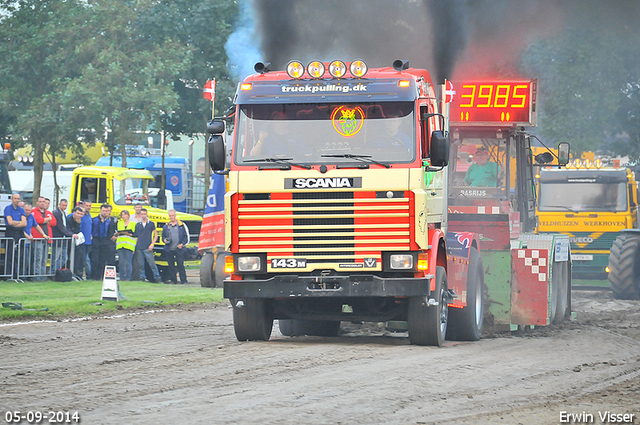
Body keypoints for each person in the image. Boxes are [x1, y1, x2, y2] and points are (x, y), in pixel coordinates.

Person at [132, 208, 161, 283]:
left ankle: (157, 277)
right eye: (142, 214)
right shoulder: (138, 225)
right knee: (141, 264)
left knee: (152, 263)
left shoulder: (151, 224)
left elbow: (155, 235)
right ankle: (142, 277)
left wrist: (152, 244)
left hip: (148, 246)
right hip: (139, 246)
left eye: (144, 214)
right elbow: (137, 237)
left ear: (147, 214)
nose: (143, 215)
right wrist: (134, 247)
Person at [31, 196, 56, 280]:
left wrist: (46, 220)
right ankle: (36, 275)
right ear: (37, 202)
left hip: (47, 238)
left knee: (45, 259)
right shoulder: (34, 211)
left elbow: (54, 222)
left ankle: (42, 274)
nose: (42, 203)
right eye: (40, 201)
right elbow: (38, 221)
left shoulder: (48, 212)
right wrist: (48, 219)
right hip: (38, 238)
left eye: (43, 202)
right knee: (38, 258)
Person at [162, 209, 189, 284]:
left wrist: (182, 244)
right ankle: (173, 280)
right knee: (171, 266)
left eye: (173, 215)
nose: (171, 217)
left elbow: (185, 237)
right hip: (169, 249)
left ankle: (183, 280)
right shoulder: (166, 226)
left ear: (175, 215)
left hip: (178, 248)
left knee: (180, 265)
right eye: (170, 216)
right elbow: (163, 236)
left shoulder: (181, 225)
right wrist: (164, 240)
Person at [90, 203, 117, 280]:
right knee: (95, 259)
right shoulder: (95, 220)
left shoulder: (109, 221)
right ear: (100, 211)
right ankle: (94, 276)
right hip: (96, 240)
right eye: (104, 211)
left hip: (105, 241)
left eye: (106, 211)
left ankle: (101, 276)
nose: (105, 212)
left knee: (102, 260)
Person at [4, 193, 26, 279]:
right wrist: (19, 222)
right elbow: (10, 223)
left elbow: (24, 223)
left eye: (18, 199)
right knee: (10, 254)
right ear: (12, 199)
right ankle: (8, 275)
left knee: (19, 255)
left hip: (19, 233)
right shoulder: (8, 209)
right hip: (10, 233)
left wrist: (15, 223)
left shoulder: (21, 210)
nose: (17, 200)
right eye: (15, 198)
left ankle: (17, 275)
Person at [20, 203, 46, 278]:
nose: (27, 211)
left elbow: (36, 225)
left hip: (29, 242)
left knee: (29, 259)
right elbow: (20, 229)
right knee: (24, 259)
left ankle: (28, 276)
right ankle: (22, 276)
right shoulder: (20, 217)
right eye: (26, 210)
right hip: (22, 240)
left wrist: (44, 235)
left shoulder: (31, 216)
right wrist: (27, 235)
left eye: (29, 210)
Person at [52, 199, 73, 271]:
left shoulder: (63, 213)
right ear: (59, 204)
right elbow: (60, 226)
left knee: (64, 257)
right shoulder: (56, 213)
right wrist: (70, 234)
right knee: (56, 257)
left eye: (66, 206)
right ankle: (52, 272)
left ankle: (54, 271)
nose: (64, 207)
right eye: (63, 205)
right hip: (57, 238)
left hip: (63, 239)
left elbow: (65, 225)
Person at [116, 210, 136, 281]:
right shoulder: (119, 223)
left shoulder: (133, 224)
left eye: (125, 214)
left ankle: (128, 277)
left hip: (129, 245)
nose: (123, 216)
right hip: (120, 245)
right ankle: (121, 277)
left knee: (128, 262)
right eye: (122, 215)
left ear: (128, 215)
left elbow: (135, 235)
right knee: (121, 262)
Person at [66, 206, 85, 278]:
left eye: (80, 214)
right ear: (74, 213)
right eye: (78, 213)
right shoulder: (69, 220)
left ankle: (77, 270)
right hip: (69, 240)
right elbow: (67, 229)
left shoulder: (80, 221)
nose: (79, 215)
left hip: (77, 241)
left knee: (79, 254)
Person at [81, 201, 93, 278]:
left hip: (88, 241)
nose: (88, 207)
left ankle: (88, 275)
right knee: (85, 259)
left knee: (87, 259)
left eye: (90, 206)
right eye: (87, 205)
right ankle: (87, 274)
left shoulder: (89, 215)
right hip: (81, 242)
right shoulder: (81, 215)